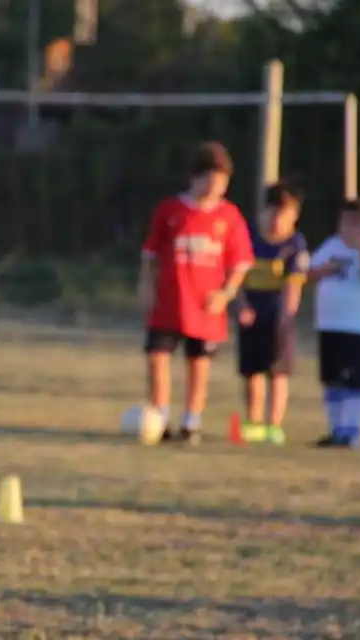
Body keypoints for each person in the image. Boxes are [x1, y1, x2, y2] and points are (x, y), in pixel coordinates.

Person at [138, 141, 254, 445]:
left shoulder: (229, 217)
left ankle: (191, 423)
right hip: (170, 303)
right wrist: (147, 288)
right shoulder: (170, 210)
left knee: (198, 365)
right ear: (195, 177)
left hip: (206, 308)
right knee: (157, 358)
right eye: (212, 180)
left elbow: (240, 263)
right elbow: (150, 255)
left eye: (223, 182)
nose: (217, 188)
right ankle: (160, 419)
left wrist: (226, 295)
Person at [307, 197, 360, 448]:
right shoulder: (331, 245)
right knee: (332, 379)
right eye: (344, 221)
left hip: (358, 327)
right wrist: (326, 269)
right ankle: (335, 430)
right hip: (329, 323)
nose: (347, 228)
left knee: (354, 381)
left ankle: (351, 432)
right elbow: (309, 273)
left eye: (355, 223)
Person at [235, 182, 309, 445]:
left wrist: (286, 317)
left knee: (278, 372)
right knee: (252, 371)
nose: (278, 220)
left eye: (286, 214)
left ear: (295, 215)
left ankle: (274, 426)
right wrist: (241, 305)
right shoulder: (248, 236)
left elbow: (293, 286)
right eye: (274, 212)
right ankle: (253, 423)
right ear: (264, 211)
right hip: (251, 309)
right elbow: (237, 277)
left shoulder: (295, 245)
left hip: (278, 312)